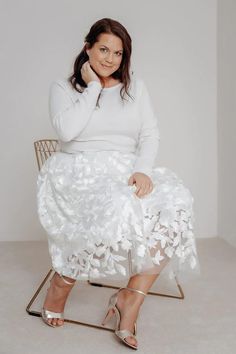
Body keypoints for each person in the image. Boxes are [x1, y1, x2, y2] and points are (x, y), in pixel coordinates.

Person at [36, 17, 200, 350]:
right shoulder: (63, 88)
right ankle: (61, 283)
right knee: (119, 206)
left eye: (118, 53)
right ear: (88, 48)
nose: (110, 59)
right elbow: (66, 132)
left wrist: (142, 170)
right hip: (76, 170)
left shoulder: (135, 87)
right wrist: (93, 87)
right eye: (103, 50)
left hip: (125, 169)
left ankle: (130, 299)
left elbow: (149, 133)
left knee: (175, 203)